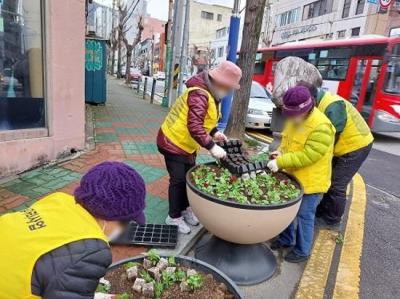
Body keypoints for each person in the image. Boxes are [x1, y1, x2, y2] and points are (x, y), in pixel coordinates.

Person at [0, 161, 146, 299]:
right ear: (110, 217)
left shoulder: (58, 199)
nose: (123, 229)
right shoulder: (92, 251)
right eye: (125, 222)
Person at [157, 61, 242, 234]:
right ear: (219, 81)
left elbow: (204, 120)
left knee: (189, 177)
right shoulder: (200, 94)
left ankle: (186, 209)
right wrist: (212, 146)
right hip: (173, 142)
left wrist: (214, 133)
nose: (228, 91)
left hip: (187, 144)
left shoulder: (209, 93)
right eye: (228, 87)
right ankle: (173, 217)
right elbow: (195, 126)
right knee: (178, 180)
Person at [267, 86, 335, 263]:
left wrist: (281, 162)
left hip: (312, 182)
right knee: (287, 211)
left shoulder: (322, 126)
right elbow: (286, 142)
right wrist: (279, 154)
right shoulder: (293, 119)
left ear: (306, 109)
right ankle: (286, 239)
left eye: (293, 114)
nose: (290, 118)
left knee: (304, 215)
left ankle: (302, 251)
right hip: (294, 176)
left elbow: (308, 156)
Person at [297, 82, 374, 227]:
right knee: (330, 179)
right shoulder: (320, 102)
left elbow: (329, 139)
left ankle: (332, 220)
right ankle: (322, 211)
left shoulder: (332, 107)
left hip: (356, 146)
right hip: (347, 144)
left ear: (312, 98)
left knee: (337, 184)